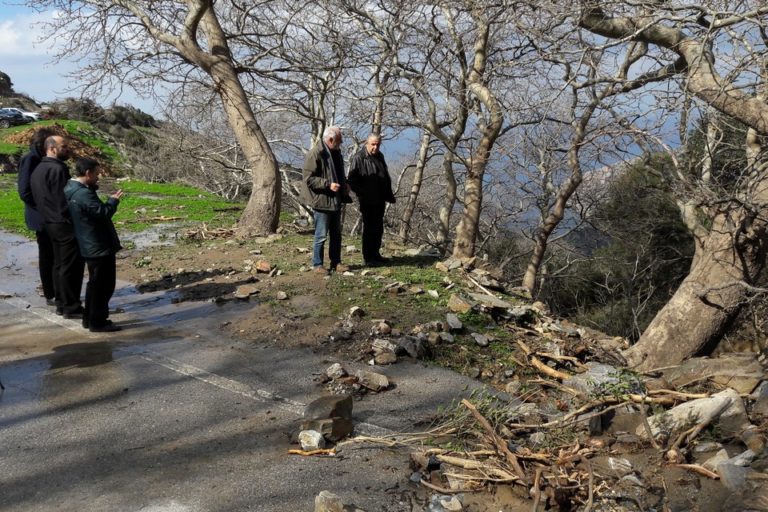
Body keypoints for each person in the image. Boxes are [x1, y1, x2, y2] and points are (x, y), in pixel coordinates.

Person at [64, 158, 123, 332]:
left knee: (94, 284)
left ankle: (89, 318)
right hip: (97, 245)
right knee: (103, 285)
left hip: (89, 243)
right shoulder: (83, 194)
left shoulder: (72, 188)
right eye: (96, 174)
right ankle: (98, 321)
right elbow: (102, 213)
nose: (98, 177)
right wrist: (112, 201)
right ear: (88, 173)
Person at [30, 135, 85, 318]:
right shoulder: (57, 169)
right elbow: (65, 199)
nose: (68, 149)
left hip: (49, 223)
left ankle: (62, 303)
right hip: (63, 223)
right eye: (64, 146)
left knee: (60, 265)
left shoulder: (38, 169)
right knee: (71, 266)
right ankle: (71, 306)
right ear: (52, 148)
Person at [303, 125, 352, 274]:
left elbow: (338, 174)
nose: (341, 142)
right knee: (321, 235)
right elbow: (308, 179)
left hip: (335, 200)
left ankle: (336, 262)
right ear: (331, 139)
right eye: (339, 140)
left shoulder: (336, 153)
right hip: (322, 201)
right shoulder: (315, 154)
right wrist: (327, 185)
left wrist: (345, 184)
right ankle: (317, 264)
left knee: (336, 235)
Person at [17, 127, 56, 305]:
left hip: (48, 214)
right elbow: (24, 191)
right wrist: (44, 208)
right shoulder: (30, 159)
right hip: (41, 217)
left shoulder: (40, 158)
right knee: (47, 255)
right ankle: (50, 293)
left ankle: (54, 290)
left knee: (53, 254)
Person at [347, 134, 395, 266]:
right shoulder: (359, 157)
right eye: (373, 144)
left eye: (378, 144)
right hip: (367, 199)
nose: (375, 147)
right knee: (369, 228)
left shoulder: (380, 156)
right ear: (366, 143)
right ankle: (368, 258)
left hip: (380, 198)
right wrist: (363, 193)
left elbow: (383, 175)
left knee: (378, 227)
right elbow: (351, 180)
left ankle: (376, 254)